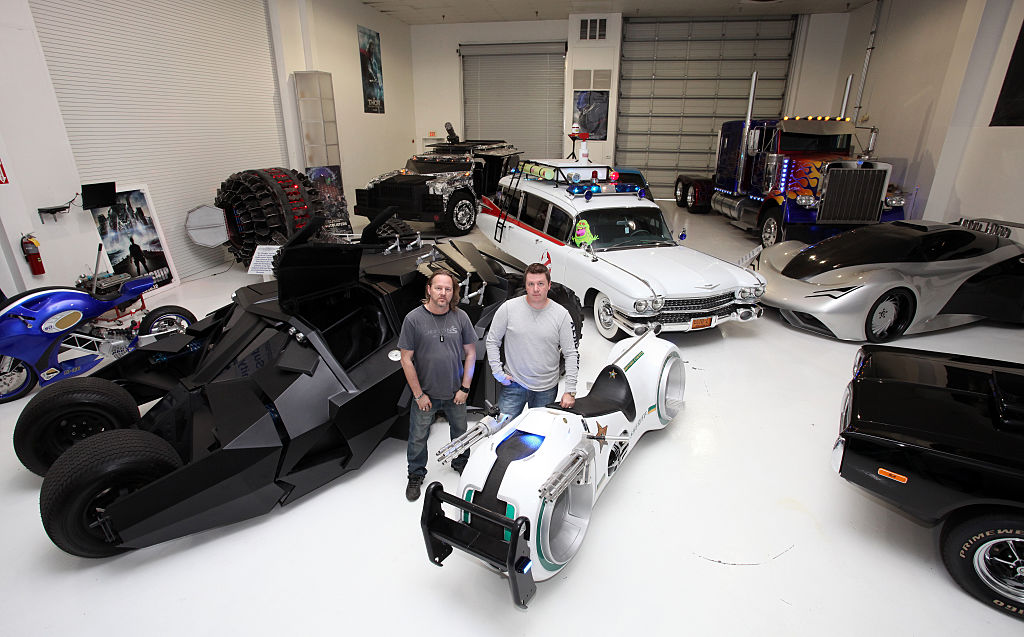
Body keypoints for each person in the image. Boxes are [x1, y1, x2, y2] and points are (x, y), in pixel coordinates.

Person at [398, 269, 477, 501]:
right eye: (438, 288)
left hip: (455, 393)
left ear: (453, 292)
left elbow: (471, 353)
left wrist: (465, 388)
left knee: (461, 432)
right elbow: (405, 359)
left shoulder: (461, 317)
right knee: (417, 437)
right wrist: (418, 395)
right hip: (426, 394)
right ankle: (416, 473)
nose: (443, 293)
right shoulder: (413, 319)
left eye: (448, 289)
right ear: (429, 289)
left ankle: (461, 462)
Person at [486, 263, 577, 418]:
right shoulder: (508, 308)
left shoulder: (561, 315)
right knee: (502, 427)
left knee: (538, 430)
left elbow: (571, 353)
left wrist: (570, 391)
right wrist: (497, 372)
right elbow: (492, 340)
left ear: (549, 285)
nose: (536, 289)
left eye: (540, 284)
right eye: (531, 284)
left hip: (546, 389)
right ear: (525, 286)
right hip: (514, 384)